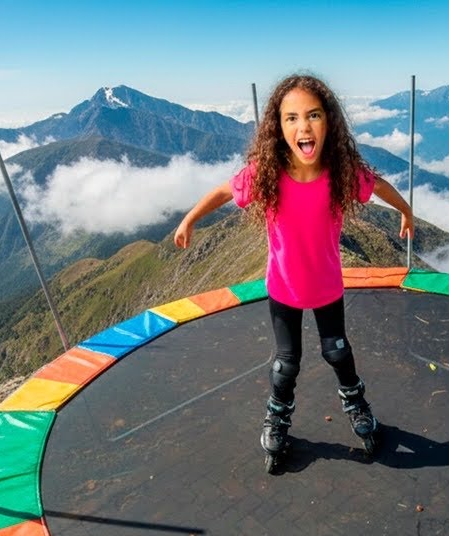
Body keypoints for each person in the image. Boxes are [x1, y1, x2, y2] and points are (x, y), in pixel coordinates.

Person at [174, 73, 413, 468]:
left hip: (327, 288)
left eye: (313, 116)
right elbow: (222, 191)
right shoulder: (266, 173)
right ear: (278, 127)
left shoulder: (341, 171)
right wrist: (190, 219)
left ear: (328, 123)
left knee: (337, 352)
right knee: (287, 362)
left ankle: (356, 405)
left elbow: (379, 186)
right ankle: (278, 417)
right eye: (292, 118)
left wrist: (405, 210)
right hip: (283, 289)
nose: (303, 126)